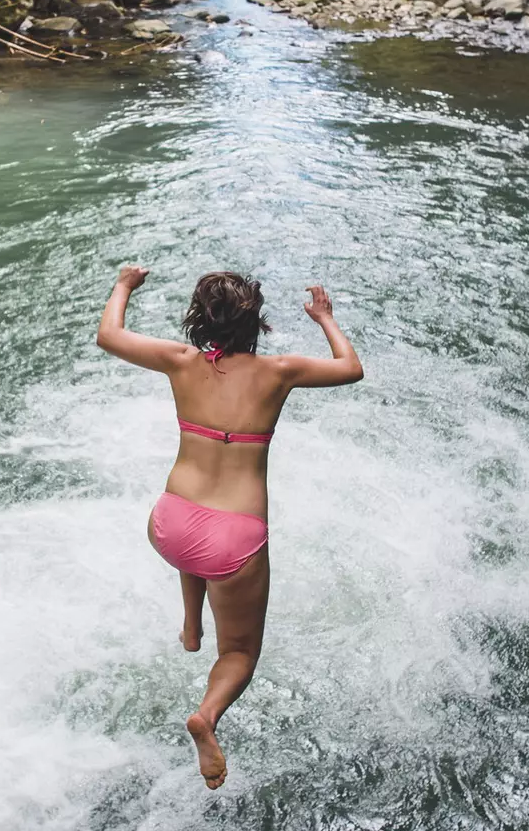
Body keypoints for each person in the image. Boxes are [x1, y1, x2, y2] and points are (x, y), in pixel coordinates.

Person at [96, 266, 364, 789]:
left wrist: (125, 284)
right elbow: (350, 368)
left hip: (170, 521)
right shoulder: (279, 371)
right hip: (233, 538)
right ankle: (207, 716)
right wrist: (325, 319)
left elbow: (109, 335)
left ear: (199, 319)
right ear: (254, 323)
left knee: (193, 549)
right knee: (240, 652)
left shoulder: (179, 360)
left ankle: (192, 625)